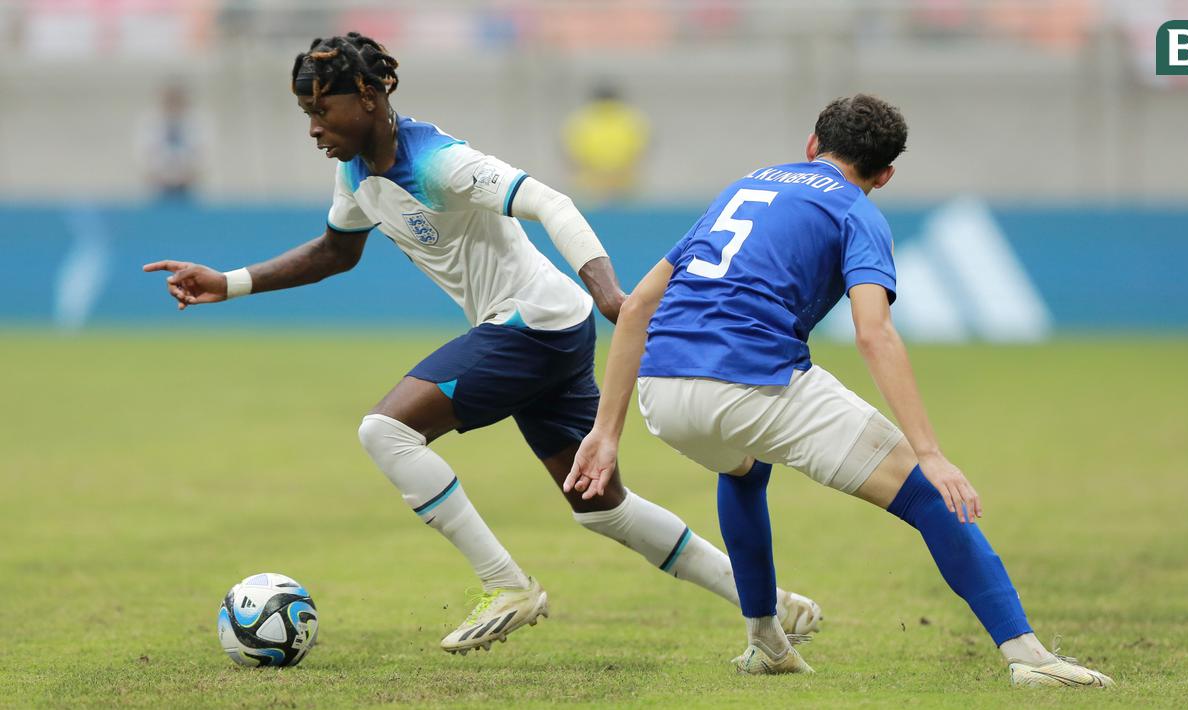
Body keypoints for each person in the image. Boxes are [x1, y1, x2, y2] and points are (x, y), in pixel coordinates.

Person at [142, 32, 820, 656]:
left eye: (325, 111)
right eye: (304, 113)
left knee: (385, 431)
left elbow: (553, 202)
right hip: (543, 329)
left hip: (532, 322)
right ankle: (771, 604)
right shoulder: (354, 172)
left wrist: (612, 296)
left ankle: (507, 584)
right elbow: (334, 252)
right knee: (597, 505)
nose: (315, 128)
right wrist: (226, 283)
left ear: (372, 98)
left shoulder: (440, 162)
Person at [564, 94, 1115, 687]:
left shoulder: (745, 186)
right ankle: (1028, 657)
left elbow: (640, 303)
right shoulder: (859, 212)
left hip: (662, 392)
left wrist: (605, 431)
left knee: (744, 470)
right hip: (754, 379)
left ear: (811, 144)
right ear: (885, 175)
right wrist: (930, 453)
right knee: (929, 496)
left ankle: (766, 641)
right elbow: (874, 334)